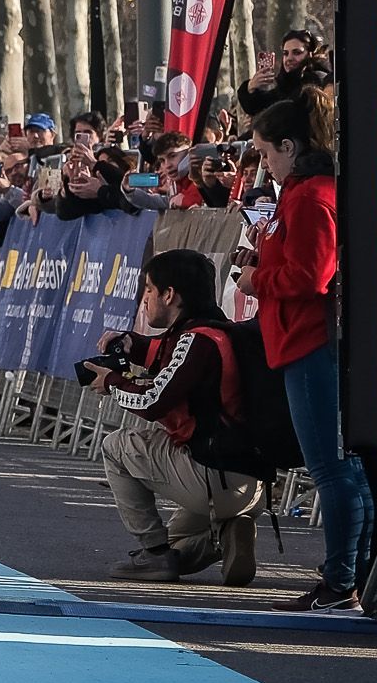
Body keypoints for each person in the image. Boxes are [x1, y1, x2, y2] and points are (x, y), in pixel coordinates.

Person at [240, 96, 360, 609]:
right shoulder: (303, 193)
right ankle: (348, 576)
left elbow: (311, 275)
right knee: (338, 469)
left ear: (289, 147)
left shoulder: (311, 196)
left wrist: (256, 277)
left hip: (311, 341)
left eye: (267, 154)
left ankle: (341, 579)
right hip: (301, 340)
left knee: (331, 469)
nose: (263, 164)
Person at [84, 248, 259, 585]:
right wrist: (128, 343)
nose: (144, 299)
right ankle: (223, 535)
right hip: (245, 481)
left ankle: (152, 552)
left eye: (148, 290)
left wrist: (113, 382)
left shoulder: (198, 340)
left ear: (169, 294)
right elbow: (161, 352)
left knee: (116, 446)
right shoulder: (214, 328)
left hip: (213, 475)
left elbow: (153, 401)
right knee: (175, 548)